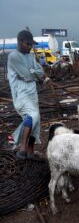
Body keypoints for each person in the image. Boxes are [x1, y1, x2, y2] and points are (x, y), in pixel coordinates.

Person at [7, 30, 49, 161]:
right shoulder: (13, 56)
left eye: (31, 44)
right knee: (32, 115)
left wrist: (34, 72)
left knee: (36, 122)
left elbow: (40, 71)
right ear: (20, 42)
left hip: (32, 93)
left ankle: (30, 152)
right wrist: (33, 72)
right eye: (27, 44)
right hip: (21, 94)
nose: (30, 47)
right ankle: (22, 148)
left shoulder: (30, 57)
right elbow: (27, 75)